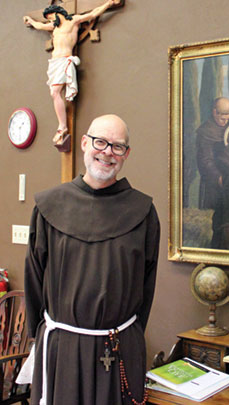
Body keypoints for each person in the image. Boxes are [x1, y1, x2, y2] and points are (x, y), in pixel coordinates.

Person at [24, 114, 160, 405]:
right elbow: (34, 280)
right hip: (64, 350)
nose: (107, 152)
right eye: (100, 142)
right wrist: (46, 332)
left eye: (117, 146)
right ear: (85, 143)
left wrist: (126, 333)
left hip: (119, 345)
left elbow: (146, 287)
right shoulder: (49, 206)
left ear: (126, 154)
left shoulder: (144, 212)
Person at [23, 1, 120, 150]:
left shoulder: (74, 21)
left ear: (57, 13)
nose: (50, 21)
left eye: (50, 17)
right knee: (54, 93)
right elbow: (39, 26)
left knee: (55, 92)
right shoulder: (54, 28)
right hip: (54, 63)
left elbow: (93, 14)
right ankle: (62, 125)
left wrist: (109, 3)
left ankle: (62, 126)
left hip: (64, 60)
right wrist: (30, 21)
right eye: (48, 19)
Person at [196, 97, 229, 209]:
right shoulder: (204, 131)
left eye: (228, 119)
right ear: (215, 112)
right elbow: (205, 161)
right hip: (212, 183)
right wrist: (219, 177)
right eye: (223, 119)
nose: (226, 122)